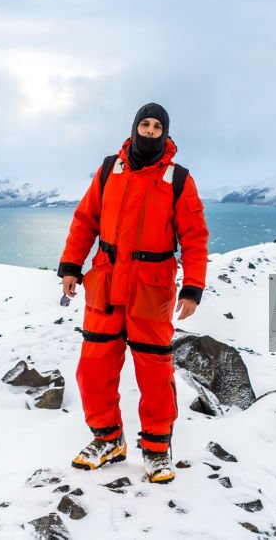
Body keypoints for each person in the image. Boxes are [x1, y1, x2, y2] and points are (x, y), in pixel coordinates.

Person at [58, 103, 209, 484]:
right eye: (145, 123)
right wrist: (71, 265)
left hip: (151, 288)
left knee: (155, 374)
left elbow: (193, 237)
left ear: (165, 132)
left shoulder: (178, 178)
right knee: (92, 369)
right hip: (106, 284)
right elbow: (86, 219)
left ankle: (157, 450)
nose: (151, 129)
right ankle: (108, 440)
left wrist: (193, 286)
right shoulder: (111, 169)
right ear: (135, 127)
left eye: (158, 125)